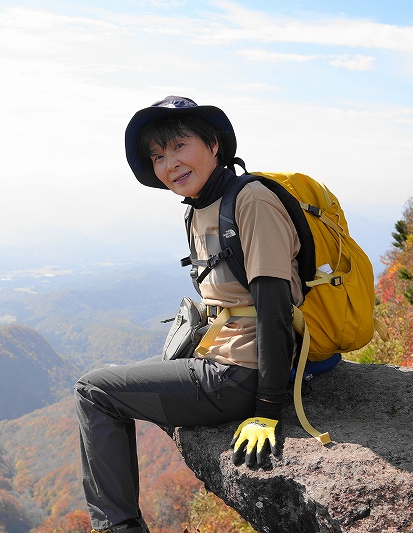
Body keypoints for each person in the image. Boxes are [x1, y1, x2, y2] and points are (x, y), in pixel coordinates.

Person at [74, 96, 302, 533]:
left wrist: (267, 410)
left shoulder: (251, 200)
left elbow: (273, 307)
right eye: (158, 156)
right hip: (222, 358)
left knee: (93, 391)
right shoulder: (199, 208)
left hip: (238, 373)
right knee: (113, 382)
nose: (169, 164)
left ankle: (117, 527)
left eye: (179, 146)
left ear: (214, 144)